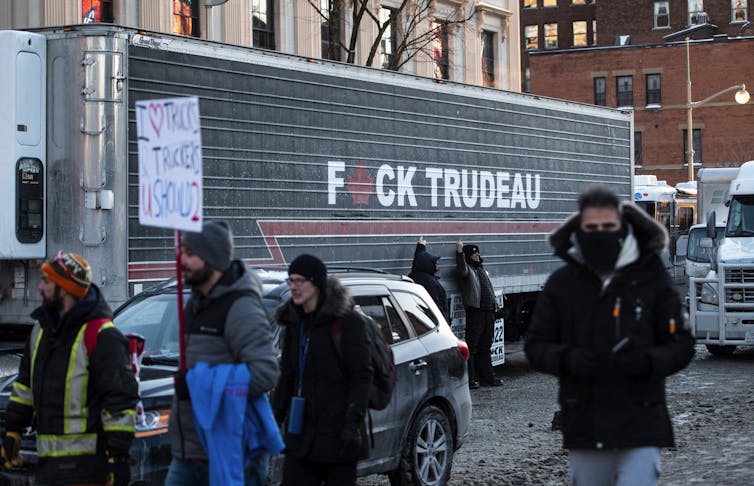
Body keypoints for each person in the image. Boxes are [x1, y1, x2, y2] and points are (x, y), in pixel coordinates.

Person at [524, 185, 695, 486]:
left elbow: (681, 344)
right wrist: (570, 359)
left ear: (623, 227)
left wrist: (646, 362)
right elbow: (536, 346)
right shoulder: (562, 283)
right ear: (580, 229)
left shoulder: (651, 278)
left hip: (641, 418)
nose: (600, 233)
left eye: (608, 226)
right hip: (585, 422)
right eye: (592, 227)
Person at [1, 251, 139, 485]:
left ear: (64, 289)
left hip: (87, 470)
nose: (40, 288)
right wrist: (13, 431)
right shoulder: (40, 331)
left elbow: (119, 402)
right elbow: (24, 387)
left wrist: (119, 458)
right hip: (47, 467)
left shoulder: (101, 335)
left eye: (46, 281)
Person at [166, 220, 280, 486]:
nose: (182, 260)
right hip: (188, 447)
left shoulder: (241, 307)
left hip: (228, 445)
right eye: (183, 252)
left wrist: (198, 383)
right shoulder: (195, 303)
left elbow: (265, 374)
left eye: (191, 255)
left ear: (213, 260)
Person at [272, 254, 373, 486]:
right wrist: (274, 418)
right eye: (291, 281)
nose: (293, 287)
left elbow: (362, 376)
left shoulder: (346, 322)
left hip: (338, 437)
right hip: (301, 434)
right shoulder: (294, 322)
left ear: (316, 282)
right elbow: (287, 375)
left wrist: (351, 426)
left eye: (299, 281)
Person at [456, 241, 503, 389]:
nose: (478, 255)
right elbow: (461, 269)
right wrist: (459, 253)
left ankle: (488, 378)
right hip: (476, 312)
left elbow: (489, 288)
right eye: (475, 253)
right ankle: (471, 379)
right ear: (469, 256)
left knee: (486, 346)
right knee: (473, 346)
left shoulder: (481, 269)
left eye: (478, 252)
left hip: (488, 312)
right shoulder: (468, 270)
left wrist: (495, 305)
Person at [408, 237, 450, 323]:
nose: (437, 264)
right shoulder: (430, 283)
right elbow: (436, 306)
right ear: (427, 264)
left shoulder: (414, 275)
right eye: (434, 262)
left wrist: (420, 247)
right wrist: (445, 324)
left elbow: (418, 262)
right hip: (435, 323)